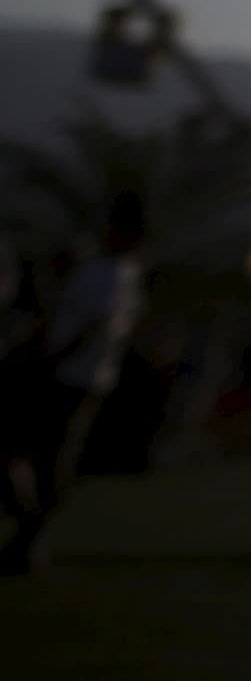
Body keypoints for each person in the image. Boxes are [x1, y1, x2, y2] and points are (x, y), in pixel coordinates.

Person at [0, 190, 142, 575]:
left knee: (52, 457)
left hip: (77, 377)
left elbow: (96, 327)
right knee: (30, 453)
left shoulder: (116, 275)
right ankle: (28, 534)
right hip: (66, 371)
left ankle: (31, 538)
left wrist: (53, 357)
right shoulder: (100, 268)